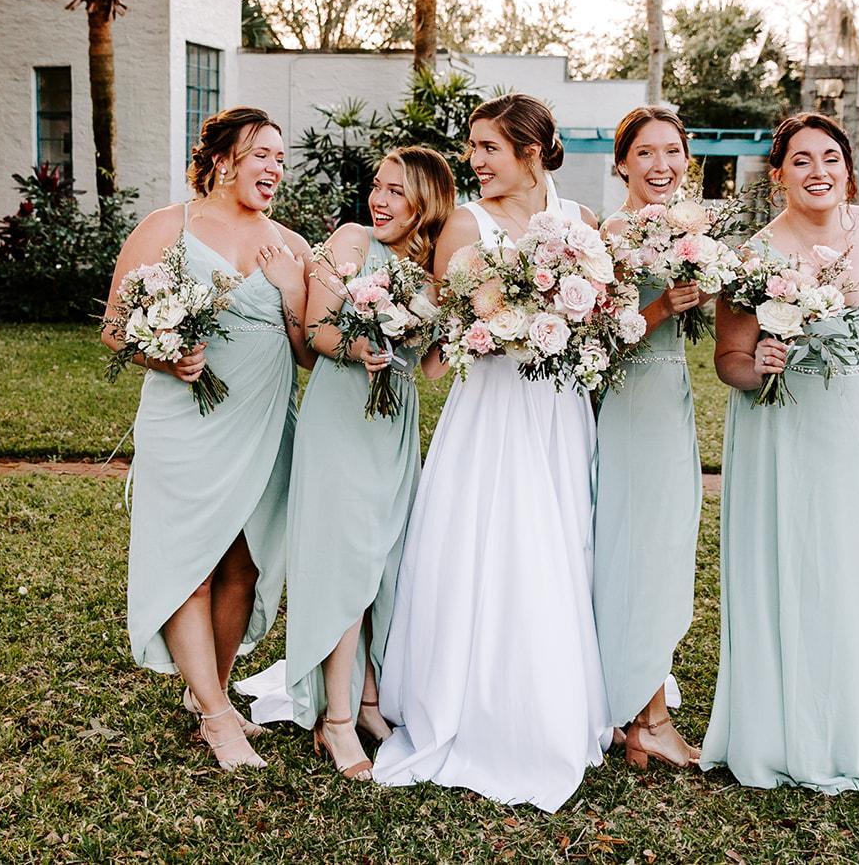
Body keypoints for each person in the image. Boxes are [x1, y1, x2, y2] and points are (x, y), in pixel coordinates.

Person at [372, 94, 612, 812]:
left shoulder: (582, 222)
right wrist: (498, 325)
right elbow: (440, 342)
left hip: (559, 410)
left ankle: (556, 690)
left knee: (560, 540)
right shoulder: (466, 225)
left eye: (488, 148)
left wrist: (568, 323)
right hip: (493, 411)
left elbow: (600, 317)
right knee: (496, 539)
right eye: (472, 146)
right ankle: (474, 697)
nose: (474, 160)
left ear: (531, 153)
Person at [704, 111, 859, 792]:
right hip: (785, 429)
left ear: (848, 168)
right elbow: (729, 360)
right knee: (799, 561)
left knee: (857, 565)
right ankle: (791, 729)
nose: (819, 172)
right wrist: (760, 363)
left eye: (830, 158)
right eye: (802, 160)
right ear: (778, 175)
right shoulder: (752, 255)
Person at [103, 106, 313, 771]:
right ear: (222, 160)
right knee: (190, 564)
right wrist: (165, 357)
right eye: (262, 155)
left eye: (280, 158)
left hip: (263, 422)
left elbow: (308, 352)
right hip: (185, 422)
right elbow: (114, 327)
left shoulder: (290, 245)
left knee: (242, 566)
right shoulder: (169, 227)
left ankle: (209, 694)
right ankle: (220, 720)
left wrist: (290, 291)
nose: (275, 168)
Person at [281, 147, 457, 780]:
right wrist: (360, 347)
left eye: (395, 191)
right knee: (348, 558)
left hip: (394, 420)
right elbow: (316, 330)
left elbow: (431, 367)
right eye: (377, 187)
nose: (378, 200)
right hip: (342, 415)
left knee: (386, 559)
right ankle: (335, 719)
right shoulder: (352, 240)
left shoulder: (434, 270)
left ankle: (369, 702)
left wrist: (470, 321)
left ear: (426, 203)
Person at [594, 106, 706, 769]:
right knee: (643, 546)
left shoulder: (689, 228)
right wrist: (664, 306)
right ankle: (648, 719)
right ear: (622, 163)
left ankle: (638, 702)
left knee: (665, 543)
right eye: (645, 152)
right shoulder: (612, 233)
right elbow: (599, 338)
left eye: (672, 151)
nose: (661, 165)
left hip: (671, 393)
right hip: (633, 399)